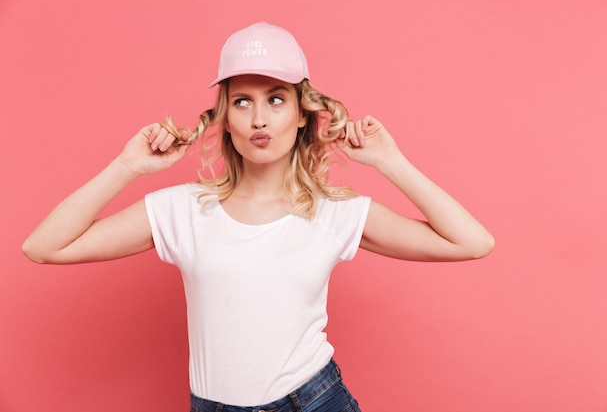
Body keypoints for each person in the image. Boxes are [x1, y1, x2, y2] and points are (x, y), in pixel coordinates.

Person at [22, 22, 494, 412]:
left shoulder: (334, 212)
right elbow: (44, 247)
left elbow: (471, 242)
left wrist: (390, 161)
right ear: (225, 116)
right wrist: (127, 166)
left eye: (275, 98)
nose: (259, 119)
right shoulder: (184, 209)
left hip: (312, 401)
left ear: (303, 114)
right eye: (243, 101)